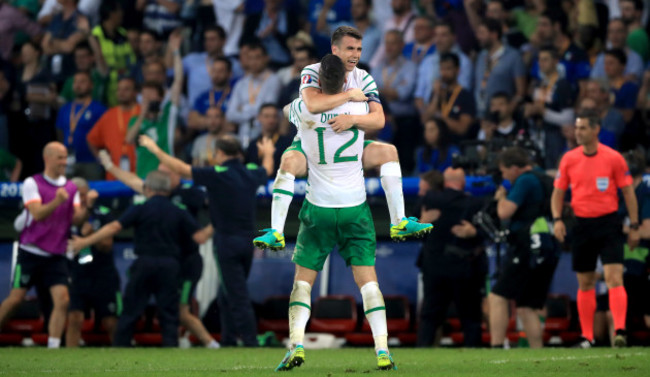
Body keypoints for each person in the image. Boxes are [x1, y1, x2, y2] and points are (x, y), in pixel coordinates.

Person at [253, 26, 432, 252]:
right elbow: (312, 104)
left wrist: (352, 119)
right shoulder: (312, 71)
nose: (356, 55)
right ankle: (276, 232)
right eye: (350, 49)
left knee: (389, 152)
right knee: (288, 161)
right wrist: (348, 96)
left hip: (346, 148)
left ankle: (399, 222)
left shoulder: (364, 77)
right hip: (311, 149)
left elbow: (379, 121)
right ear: (334, 49)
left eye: (359, 49)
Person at [277, 53, 396, 371]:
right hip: (355, 206)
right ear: (345, 81)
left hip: (318, 207)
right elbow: (379, 120)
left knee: (303, 283)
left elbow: (290, 110)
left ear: (316, 81)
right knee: (369, 283)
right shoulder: (359, 108)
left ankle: (297, 345)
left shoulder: (304, 108)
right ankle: (382, 349)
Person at [137, 133, 274, 347]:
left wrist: (155, 149)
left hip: (226, 241)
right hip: (248, 241)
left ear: (219, 153)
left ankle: (250, 342)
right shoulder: (249, 172)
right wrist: (268, 153)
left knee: (236, 294)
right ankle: (228, 339)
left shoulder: (216, 174)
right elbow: (267, 169)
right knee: (227, 293)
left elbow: (181, 169)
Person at [69, 170, 209, 347]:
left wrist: (86, 241)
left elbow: (113, 227)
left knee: (131, 309)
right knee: (169, 312)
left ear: (148, 188)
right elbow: (200, 237)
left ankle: (121, 347)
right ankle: (171, 347)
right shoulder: (178, 210)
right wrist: (218, 225)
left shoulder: (141, 207)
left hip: (144, 263)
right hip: (170, 265)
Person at [98, 152, 220, 348]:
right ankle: (205, 344)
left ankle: (211, 344)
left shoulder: (190, 194)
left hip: (187, 261)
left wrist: (220, 220)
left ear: (176, 175)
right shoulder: (160, 194)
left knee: (178, 311)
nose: (160, 177)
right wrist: (111, 167)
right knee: (172, 311)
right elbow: (134, 182)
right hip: (169, 260)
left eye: (165, 173)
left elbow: (215, 208)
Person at [551, 111, 640, 348]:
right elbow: (558, 193)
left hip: (608, 223)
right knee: (585, 282)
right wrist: (558, 219)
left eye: (582, 128)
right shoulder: (569, 159)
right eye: (577, 128)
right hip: (581, 224)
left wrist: (634, 224)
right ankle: (587, 336)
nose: (577, 132)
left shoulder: (613, 158)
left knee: (614, 277)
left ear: (596, 130)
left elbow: (628, 192)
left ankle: (620, 330)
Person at [0, 142, 92, 349]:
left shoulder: (70, 187)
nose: (64, 162)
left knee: (62, 299)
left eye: (65, 157)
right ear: (47, 158)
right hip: (31, 251)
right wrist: (57, 201)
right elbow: (37, 214)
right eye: (60, 157)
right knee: (15, 300)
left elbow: (76, 220)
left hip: (56, 254)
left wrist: (88, 206)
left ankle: (53, 347)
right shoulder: (33, 183)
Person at [490, 147, 559, 349]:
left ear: (513, 168)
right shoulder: (542, 175)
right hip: (546, 244)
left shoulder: (525, 180)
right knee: (527, 306)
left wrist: (501, 196)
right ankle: (537, 351)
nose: (504, 177)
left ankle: (495, 348)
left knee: (497, 295)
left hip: (527, 246)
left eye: (504, 172)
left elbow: (504, 212)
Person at [417, 167, 486, 347]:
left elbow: (405, 230)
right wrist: (474, 233)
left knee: (430, 317)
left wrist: (423, 222)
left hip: (433, 268)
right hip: (464, 269)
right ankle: (475, 360)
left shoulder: (429, 200)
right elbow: (488, 232)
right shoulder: (474, 203)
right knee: (470, 318)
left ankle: (420, 356)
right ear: (463, 183)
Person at [65, 177, 120, 347]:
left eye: (82, 194)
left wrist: (89, 236)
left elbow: (107, 246)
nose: (79, 199)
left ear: (89, 194)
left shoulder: (103, 214)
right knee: (75, 318)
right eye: (75, 195)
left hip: (103, 274)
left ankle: (123, 359)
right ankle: (68, 363)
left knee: (110, 321)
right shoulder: (65, 216)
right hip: (78, 274)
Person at [125, 35, 182, 179]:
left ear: (160, 98)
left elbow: (178, 81)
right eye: (145, 95)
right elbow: (129, 140)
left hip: (166, 177)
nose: (148, 98)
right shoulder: (136, 120)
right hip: (143, 178)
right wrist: (143, 112)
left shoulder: (167, 116)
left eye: (152, 95)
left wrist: (175, 52)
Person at [524, 45, 576, 169]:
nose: (541, 63)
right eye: (540, 60)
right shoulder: (538, 84)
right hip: (538, 135)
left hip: (556, 136)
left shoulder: (563, 85)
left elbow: (569, 118)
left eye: (545, 59)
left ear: (556, 61)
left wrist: (543, 112)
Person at [225, 41, 282, 148]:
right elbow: (230, 114)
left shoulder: (274, 80)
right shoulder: (241, 83)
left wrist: (243, 109)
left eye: (257, 57)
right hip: (243, 135)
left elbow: (267, 110)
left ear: (266, 58)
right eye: (250, 58)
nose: (254, 62)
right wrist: (253, 113)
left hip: (266, 135)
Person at [55, 71, 107, 180]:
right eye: (76, 82)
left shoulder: (99, 109)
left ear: (91, 85)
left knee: (93, 193)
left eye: (83, 82)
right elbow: (60, 133)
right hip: (68, 161)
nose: (78, 85)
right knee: (68, 193)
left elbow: (106, 136)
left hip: (91, 161)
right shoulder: (65, 109)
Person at [86, 77, 140, 180]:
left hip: (139, 173)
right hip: (114, 175)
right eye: (119, 89)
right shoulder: (109, 115)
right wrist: (102, 159)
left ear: (135, 92)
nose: (121, 93)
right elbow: (91, 139)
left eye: (126, 89)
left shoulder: (142, 113)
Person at [474, 18, 526, 117]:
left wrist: (508, 110)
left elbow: (521, 91)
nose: (478, 37)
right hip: (481, 115)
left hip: (502, 115)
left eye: (482, 33)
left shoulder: (513, 56)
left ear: (494, 34)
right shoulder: (481, 56)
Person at [424, 52, 477, 142]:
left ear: (457, 70)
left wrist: (440, 117)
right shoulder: (437, 92)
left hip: (455, 144)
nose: (444, 73)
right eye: (442, 69)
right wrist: (436, 95)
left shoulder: (465, 95)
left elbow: (462, 129)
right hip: (436, 146)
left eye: (448, 69)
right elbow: (425, 120)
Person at [245, 104, 293, 177]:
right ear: (259, 118)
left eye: (274, 116)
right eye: (266, 116)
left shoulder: (288, 143)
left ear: (278, 119)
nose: (271, 120)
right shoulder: (252, 145)